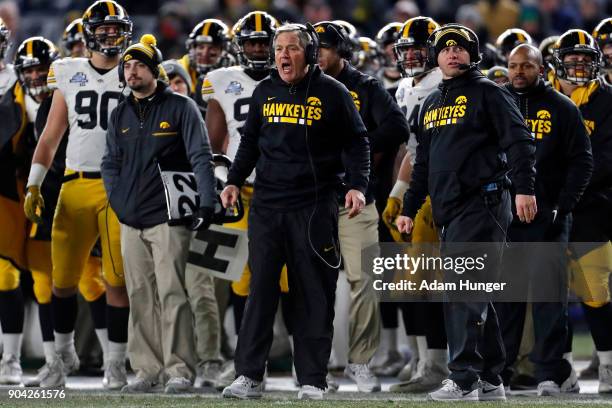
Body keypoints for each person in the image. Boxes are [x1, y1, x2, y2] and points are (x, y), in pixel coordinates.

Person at [220, 23, 370, 400]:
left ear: (311, 53)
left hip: (314, 204)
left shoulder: (334, 92)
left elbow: (357, 141)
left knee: (313, 294)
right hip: (268, 204)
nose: (283, 55)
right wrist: (233, 180)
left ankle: (312, 380)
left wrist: (357, 185)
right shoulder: (264, 91)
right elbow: (250, 140)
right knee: (260, 291)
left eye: (292, 48)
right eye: (279, 48)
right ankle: (250, 375)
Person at [396, 23, 537, 401]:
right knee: (473, 291)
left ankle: (463, 378)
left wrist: (524, 188)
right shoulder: (432, 103)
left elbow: (520, 139)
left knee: (462, 290)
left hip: (484, 202)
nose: (453, 53)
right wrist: (410, 208)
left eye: (460, 48)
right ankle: (490, 378)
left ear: (473, 55)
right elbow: (422, 163)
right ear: (435, 56)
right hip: (449, 209)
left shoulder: (489, 92)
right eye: (445, 48)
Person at [23, 0, 132, 389]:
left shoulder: (133, 70)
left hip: (119, 185)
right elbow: (51, 135)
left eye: (115, 28)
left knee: (116, 281)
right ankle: (60, 358)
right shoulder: (67, 71)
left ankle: (115, 365)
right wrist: (35, 181)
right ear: (88, 33)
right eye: (102, 29)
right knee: (63, 281)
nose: (110, 36)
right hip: (74, 184)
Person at [101, 34, 217, 394]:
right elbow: (110, 164)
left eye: (139, 65)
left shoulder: (182, 107)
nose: (132, 72)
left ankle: (180, 369)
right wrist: (118, 201)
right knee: (139, 295)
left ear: (155, 71)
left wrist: (207, 200)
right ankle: (147, 368)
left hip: (169, 216)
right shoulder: (119, 112)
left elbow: (201, 155)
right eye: (128, 66)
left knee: (173, 293)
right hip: (131, 217)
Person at [201, 10, 295, 390]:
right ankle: (246, 362)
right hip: (239, 188)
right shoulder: (221, 81)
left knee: (288, 277)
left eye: (263, 42)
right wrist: (225, 184)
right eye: (252, 42)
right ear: (239, 47)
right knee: (238, 277)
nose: (257, 48)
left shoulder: (292, 78)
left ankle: (298, 358)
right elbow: (214, 144)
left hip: (284, 189)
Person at [314, 19, 408, 393]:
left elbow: (397, 127)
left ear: (342, 52)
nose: (316, 54)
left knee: (365, 280)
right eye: (313, 48)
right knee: (314, 285)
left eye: (323, 48)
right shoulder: (296, 87)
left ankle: (360, 361)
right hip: (311, 199)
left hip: (357, 199)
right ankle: (316, 366)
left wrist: (356, 144)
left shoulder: (365, 87)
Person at [496, 43, 593, 396]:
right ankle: (500, 373)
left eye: (527, 66)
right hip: (506, 218)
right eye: (513, 66)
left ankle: (551, 374)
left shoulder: (562, 107)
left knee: (549, 301)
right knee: (505, 301)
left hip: (548, 218)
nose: (519, 72)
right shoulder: (496, 101)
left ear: (542, 69)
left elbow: (583, 161)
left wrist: (561, 206)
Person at [383, 16, 449, 394]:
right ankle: (430, 362)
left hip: (446, 194)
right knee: (416, 285)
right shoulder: (407, 86)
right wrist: (399, 191)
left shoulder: (450, 83)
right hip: (419, 191)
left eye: (419, 49)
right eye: (406, 49)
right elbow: (412, 147)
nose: (411, 57)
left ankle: (452, 365)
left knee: (445, 284)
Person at [550, 29, 612, 394]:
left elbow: (604, 161)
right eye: (571, 60)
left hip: (592, 207)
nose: (577, 66)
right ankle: (561, 370)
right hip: (549, 210)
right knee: (551, 293)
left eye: (585, 60)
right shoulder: (542, 99)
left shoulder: (607, 101)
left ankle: (607, 365)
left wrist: (566, 190)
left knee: (594, 292)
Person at [179, 18, 230, 115]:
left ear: (224, 50)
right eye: (201, 47)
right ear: (192, 47)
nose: (205, 54)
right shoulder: (180, 69)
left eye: (212, 48)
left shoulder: (235, 70)